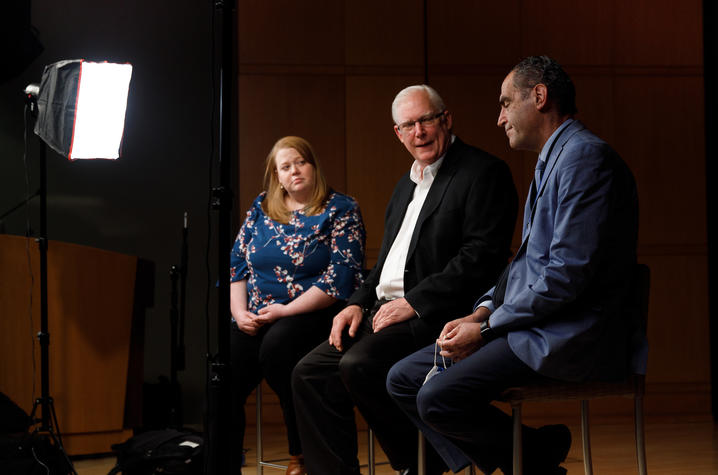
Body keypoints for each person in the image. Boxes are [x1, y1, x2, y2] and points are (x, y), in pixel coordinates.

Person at [387, 56, 641, 475]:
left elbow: (565, 276)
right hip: (535, 323)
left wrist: (487, 328)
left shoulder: (584, 159)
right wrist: (483, 310)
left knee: (435, 398)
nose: (500, 117)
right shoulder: (554, 158)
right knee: (401, 379)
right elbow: (524, 265)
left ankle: (532, 460)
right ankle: (536, 456)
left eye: (506, 103)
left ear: (539, 97)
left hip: (571, 333)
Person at [292, 85, 518, 474]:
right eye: (408, 125)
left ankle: (418, 465)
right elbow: (385, 265)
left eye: (426, 120)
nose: (419, 132)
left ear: (445, 119)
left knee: (359, 365)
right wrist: (355, 303)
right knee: (308, 374)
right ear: (398, 134)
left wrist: (414, 302)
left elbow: (481, 258)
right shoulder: (405, 186)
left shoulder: (484, 172)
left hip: (438, 313)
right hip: (383, 312)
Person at [229, 136, 366, 475]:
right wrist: (238, 313)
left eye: (300, 162)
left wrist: (285, 311)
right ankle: (222, 459)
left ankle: (299, 454)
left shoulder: (341, 209)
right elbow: (236, 264)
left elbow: (341, 279)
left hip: (314, 313)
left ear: (313, 165)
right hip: (259, 315)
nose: (295, 171)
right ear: (277, 176)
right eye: (285, 167)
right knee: (223, 367)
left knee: (278, 349)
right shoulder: (261, 208)